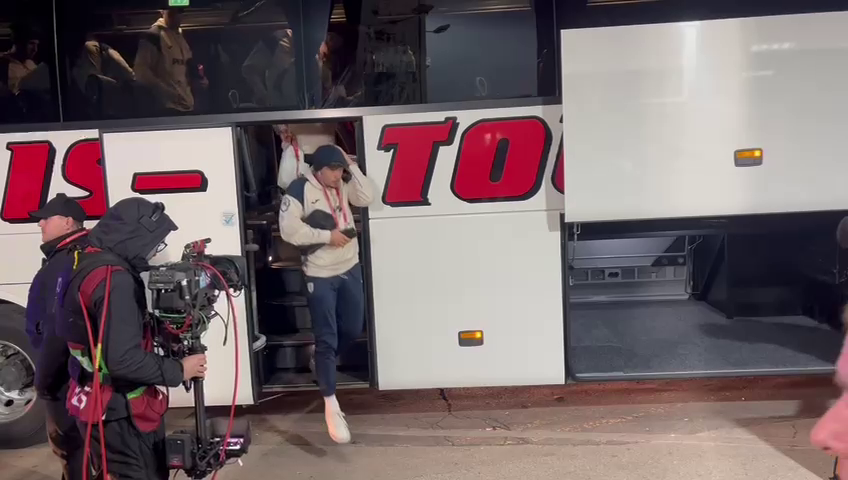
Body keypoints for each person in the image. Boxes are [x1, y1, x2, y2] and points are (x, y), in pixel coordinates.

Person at [56, 198, 207, 480]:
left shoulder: (84, 262)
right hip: (121, 414)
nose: (152, 252)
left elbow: (99, 333)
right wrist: (180, 370)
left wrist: (159, 331)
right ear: (134, 235)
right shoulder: (116, 280)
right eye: (154, 243)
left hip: (94, 405)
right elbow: (122, 359)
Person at [278, 144, 375, 443]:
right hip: (319, 274)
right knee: (326, 337)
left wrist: (352, 166)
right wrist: (327, 236)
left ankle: (323, 362)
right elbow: (289, 231)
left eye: (339, 168)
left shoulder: (343, 183)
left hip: (350, 267)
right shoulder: (298, 189)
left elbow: (367, 197)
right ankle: (331, 405)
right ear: (317, 170)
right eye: (332, 169)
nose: (337, 174)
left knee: (353, 327)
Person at [25, 194, 89, 480]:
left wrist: (45, 382)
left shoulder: (64, 261)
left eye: (46, 218)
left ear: (67, 222)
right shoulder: (83, 254)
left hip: (64, 376)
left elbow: (56, 327)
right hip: (79, 373)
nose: (40, 224)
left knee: (70, 447)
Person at [134, 7, 207, 114]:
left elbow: (186, 67)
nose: (176, 15)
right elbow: (141, 71)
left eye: (179, 11)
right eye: (171, 12)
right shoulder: (153, 36)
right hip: (165, 108)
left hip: (186, 104)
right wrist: (165, 91)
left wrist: (199, 80)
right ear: (162, 11)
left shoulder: (181, 38)